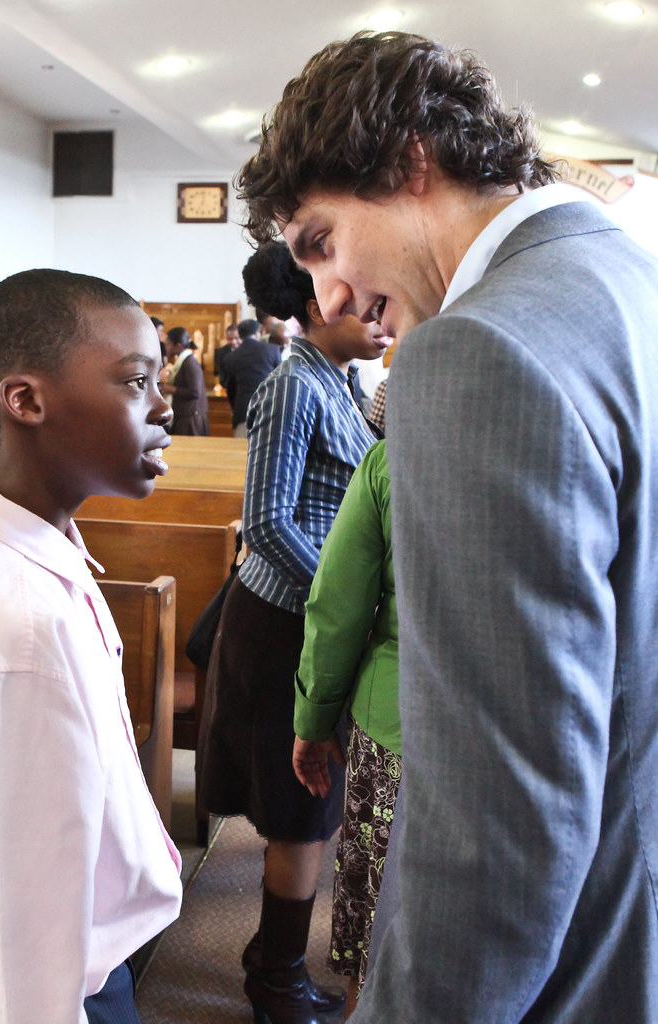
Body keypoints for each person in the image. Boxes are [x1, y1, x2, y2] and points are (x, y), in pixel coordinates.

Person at [235, 29, 658, 1024]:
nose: (327, 296)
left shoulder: (474, 352)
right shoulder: (621, 277)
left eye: (319, 242)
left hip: (568, 958)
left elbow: (493, 829)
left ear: (405, 162)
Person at [0, 269, 182, 1024]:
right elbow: (9, 919)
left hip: (67, 965)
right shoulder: (15, 624)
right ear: (25, 401)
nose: (163, 408)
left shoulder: (38, 557)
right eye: (134, 382)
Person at [198, 240, 391, 1024]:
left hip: (312, 620)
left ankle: (271, 959)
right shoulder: (290, 386)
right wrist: (344, 598)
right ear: (316, 304)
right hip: (285, 619)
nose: (379, 319)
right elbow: (270, 523)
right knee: (302, 804)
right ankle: (274, 979)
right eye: (364, 304)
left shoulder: (338, 381)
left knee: (312, 799)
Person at [293, 439, 400, 1016]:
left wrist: (314, 717)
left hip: (397, 725)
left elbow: (338, 602)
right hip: (546, 736)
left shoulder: (395, 455)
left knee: (374, 933)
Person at [221, 317, 281, 437]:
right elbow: (281, 381)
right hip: (269, 409)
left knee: (241, 452)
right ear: (258, 333)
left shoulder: (231, 357)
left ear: (240, 335)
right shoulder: (273, 350)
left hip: (243, 412)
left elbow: (230, 389)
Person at [159, 326, 210, 435]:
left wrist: (171, 389)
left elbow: (195, 392)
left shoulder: (190, 363)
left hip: (191, 418)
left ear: (178, 345)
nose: (166, 347)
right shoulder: (184, 361)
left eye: (168, 344)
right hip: (185, 415)